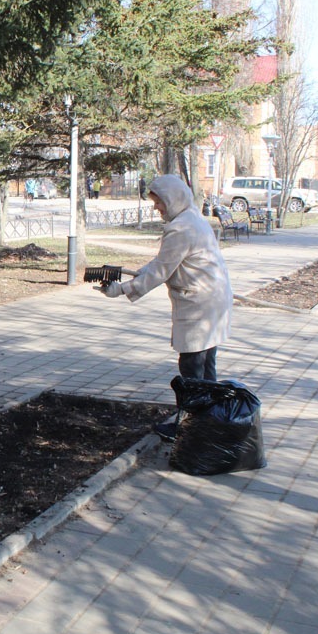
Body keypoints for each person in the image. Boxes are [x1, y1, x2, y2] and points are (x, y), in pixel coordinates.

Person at [98, 174, 233, 440]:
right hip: (214, 300)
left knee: (192, 369)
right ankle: (207, 423)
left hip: (198, 306)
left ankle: (187, 428)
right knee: (206, 367)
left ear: (171, 199)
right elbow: (165, 262)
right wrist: (139, 275)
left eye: (159, 202)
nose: (156, 208)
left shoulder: (180, 228)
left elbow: (161, 270)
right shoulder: (192, 218)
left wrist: (121, 289)